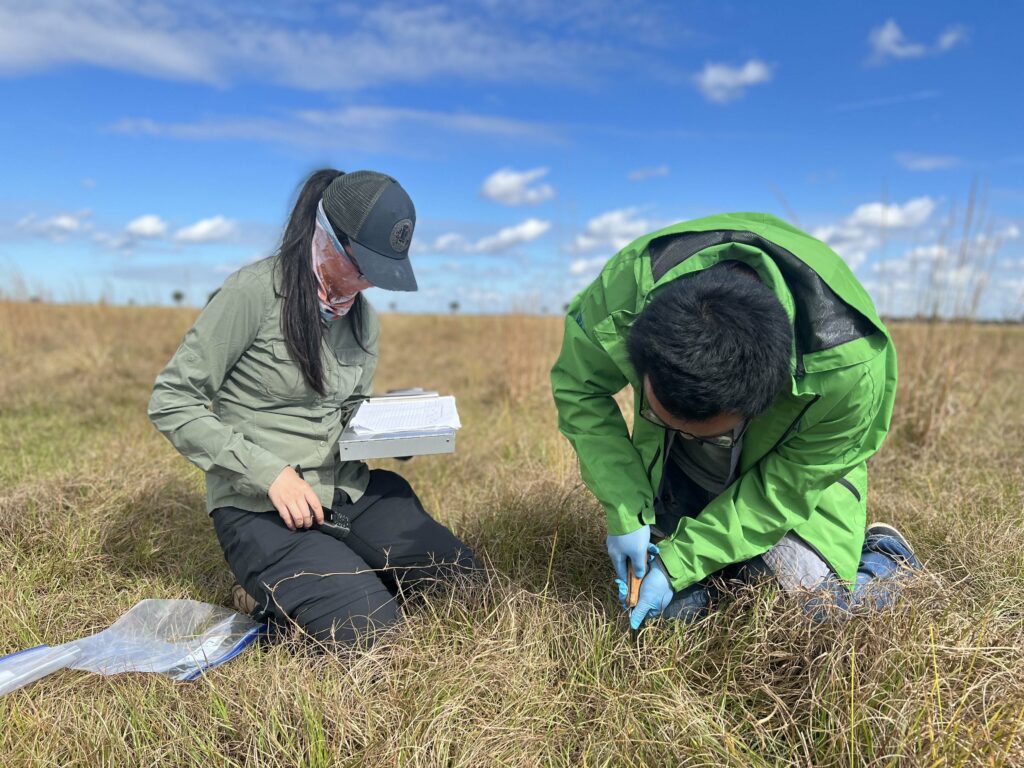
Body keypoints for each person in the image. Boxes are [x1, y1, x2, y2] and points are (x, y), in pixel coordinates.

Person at [149, 169, 477, 647]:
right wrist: (270, 474)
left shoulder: (361, 318)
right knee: (369, 633)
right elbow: (172, 400)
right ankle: (266, 595)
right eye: (362, 267)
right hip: (265, 506)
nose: (368, 283)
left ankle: (342, 573)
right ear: (326, 237)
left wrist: (398, 429)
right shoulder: (251, 293)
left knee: (463, 584)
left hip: (346, 491)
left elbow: (347, 409)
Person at [550, 213, 922, 631]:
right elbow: (580, 388)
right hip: (679, 469)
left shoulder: (849, 371)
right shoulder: (628, 290)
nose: (685, 436)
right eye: (661, 416)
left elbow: (784, 490)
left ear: (760, 404)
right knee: (674, 618)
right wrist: (627, 509)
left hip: (796, 480)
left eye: (705, 434)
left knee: (811, 616)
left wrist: (678, 564)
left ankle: (887, 559)